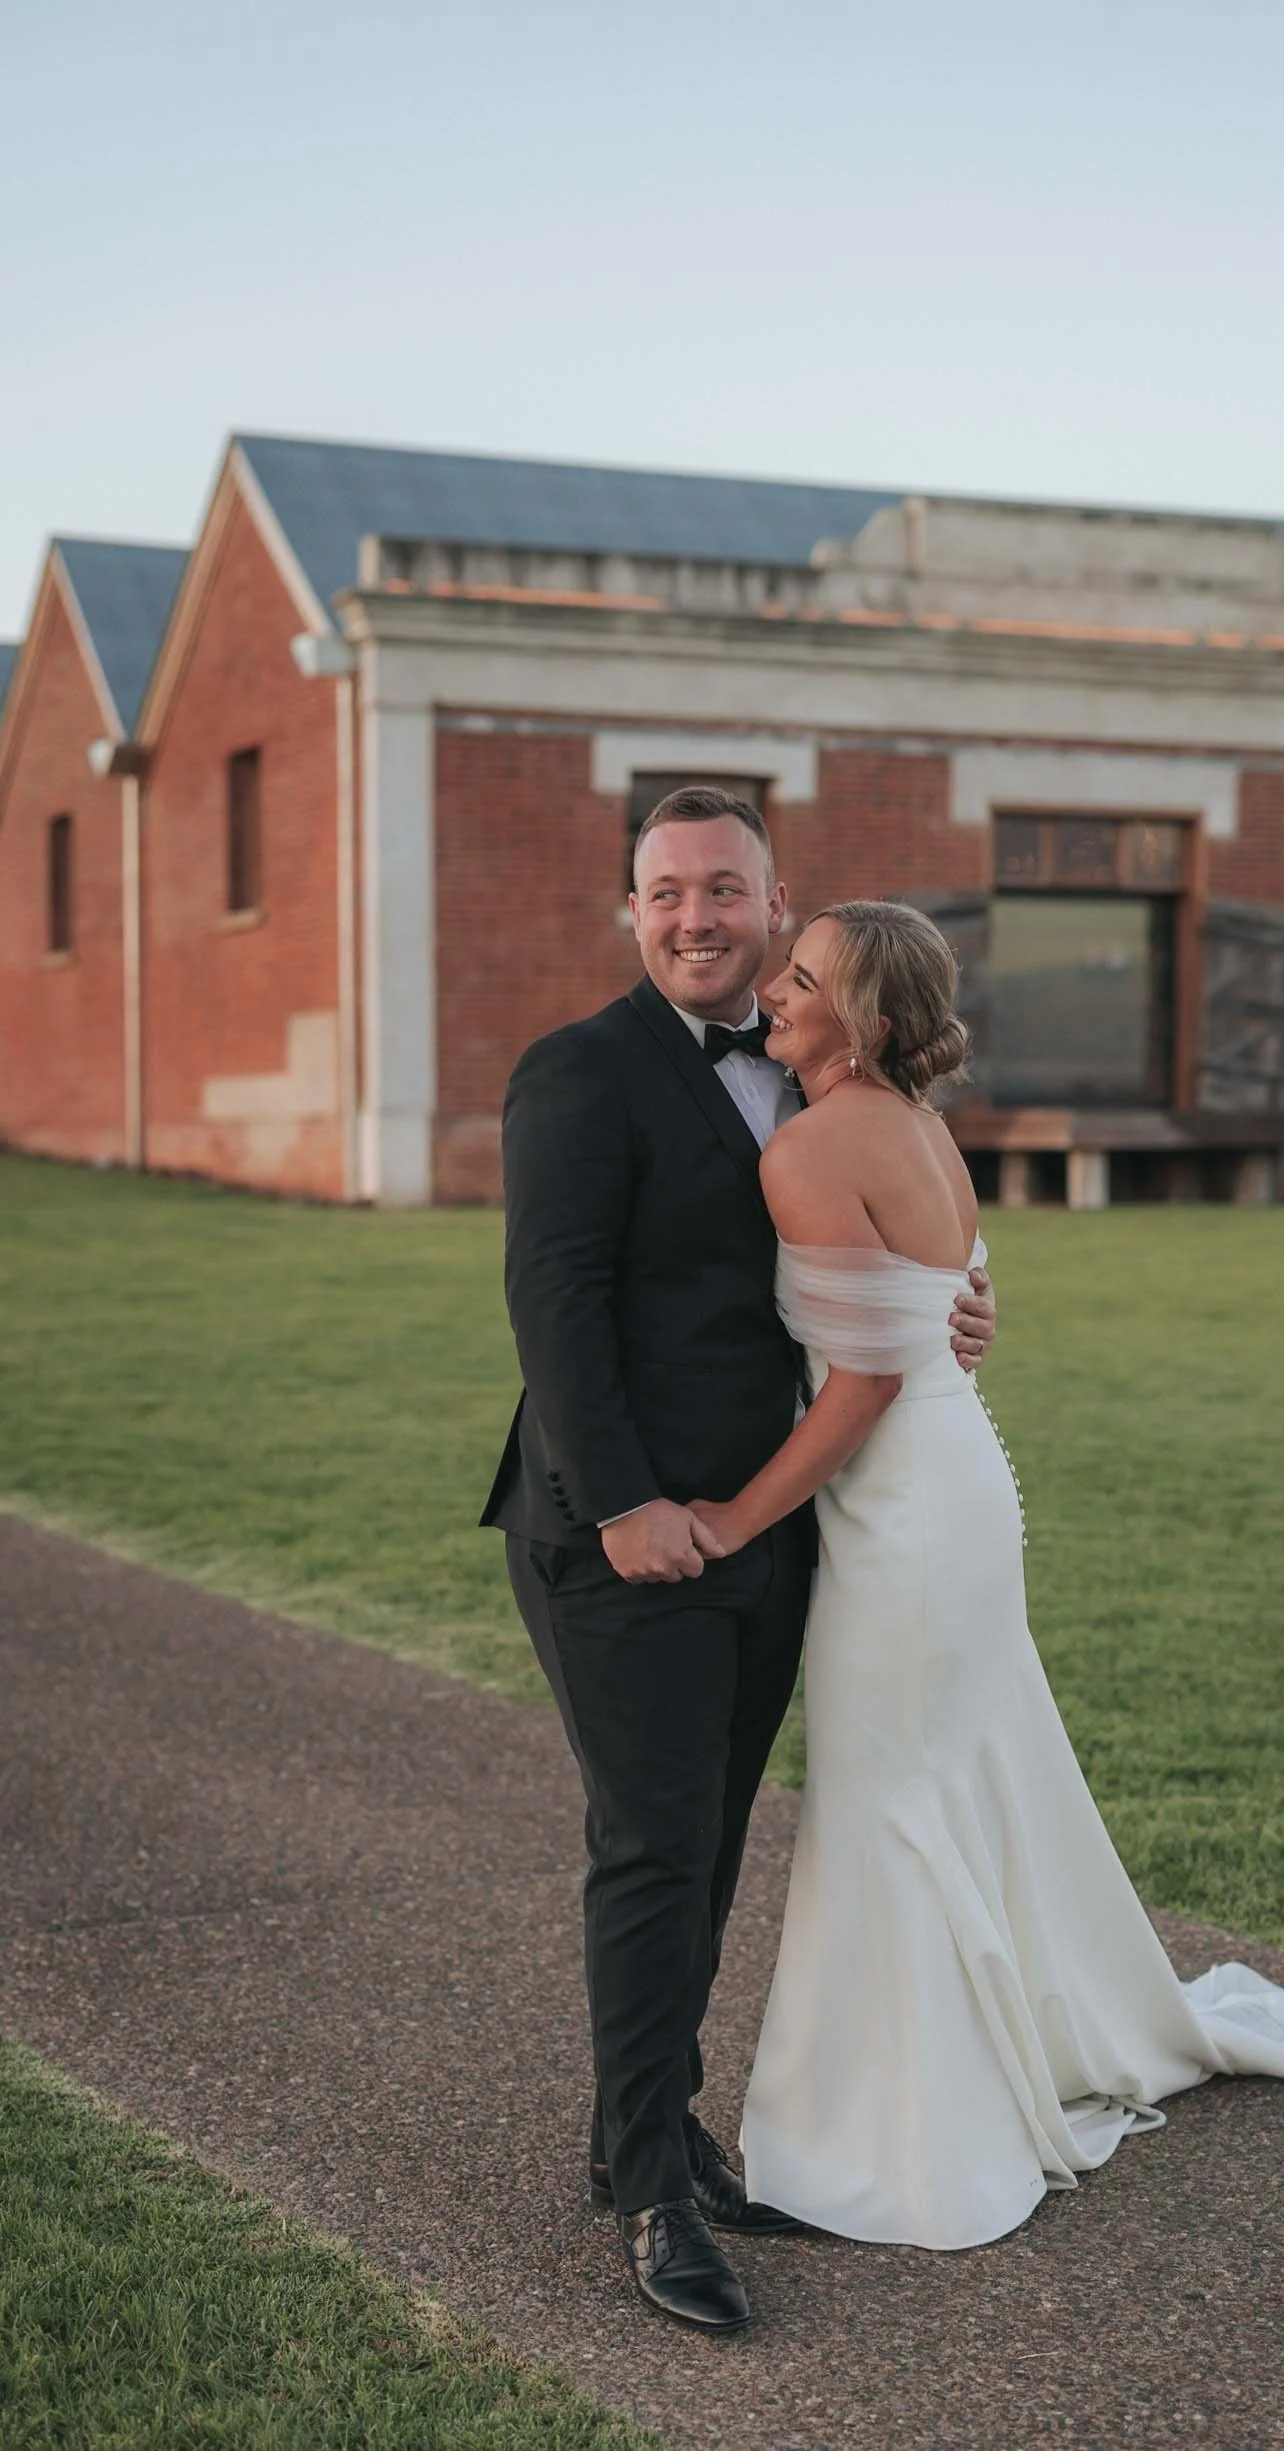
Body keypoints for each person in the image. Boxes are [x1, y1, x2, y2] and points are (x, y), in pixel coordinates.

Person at [687, 898, 1284, 2253]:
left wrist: (739, 1514)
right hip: (958, 1483)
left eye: (804, 977)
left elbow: (863, 1376)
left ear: (865, 1021)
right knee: (939, 1777)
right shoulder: (919, 1126)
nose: (778, 988)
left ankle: (883, 2132)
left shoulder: (813, 1144)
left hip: (904, 1509)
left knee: (885, 1797)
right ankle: (949, 2061)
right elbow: (949, 1306)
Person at [480, 792, 995, 2331]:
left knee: (703, 1846)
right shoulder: (578, 1072)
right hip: (618, 1534)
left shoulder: (807, 1070)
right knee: (650, 1848)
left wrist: (948, 1311)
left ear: (779, 907)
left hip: (771, 1528)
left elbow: (868, 1260)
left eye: (724, 889)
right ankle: (651, 2193)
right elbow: (553, 1301)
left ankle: (640, 2132)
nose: (694, 916)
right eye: (664, 891)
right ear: (630, 910)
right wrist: (627, 1500)